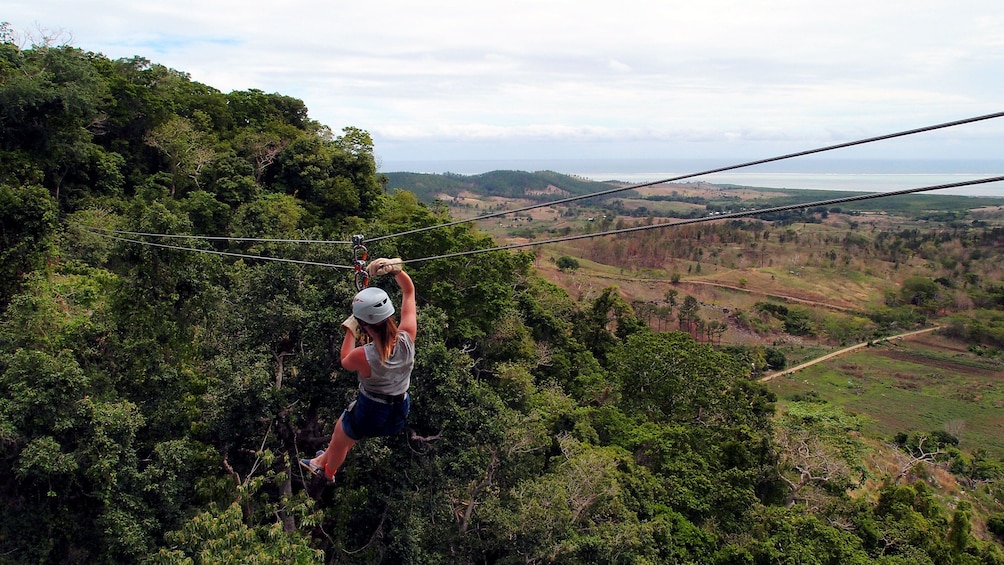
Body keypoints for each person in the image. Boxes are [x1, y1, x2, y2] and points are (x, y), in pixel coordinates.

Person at [300, 257, 416, 483]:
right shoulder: (407, 338)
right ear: (389, 316)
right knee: (348, 434)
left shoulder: (364, 356)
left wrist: (349, 330)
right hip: (398, 411)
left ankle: (327, 472)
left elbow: (344, 360)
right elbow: (409, 292)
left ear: (364, 325)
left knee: (340, 435)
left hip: (371, 410)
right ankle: (320, 461)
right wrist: (395, 272)